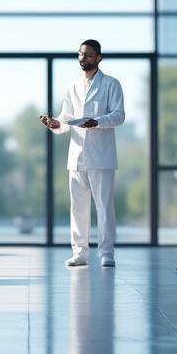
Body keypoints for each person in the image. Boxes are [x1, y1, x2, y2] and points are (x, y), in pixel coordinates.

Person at [40, 40, 125, 268]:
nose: (83, 59)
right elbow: (66, 120)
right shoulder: (72, 87)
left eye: (88, 55)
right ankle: (80, 253)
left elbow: (119, 116)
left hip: (102, 157)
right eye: (80, 54)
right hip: (77, 156)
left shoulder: (111, 84)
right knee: (77, 208)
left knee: (104, 207)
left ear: (99, 58)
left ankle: (107, 253)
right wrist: (54, 123)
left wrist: (96, 122)